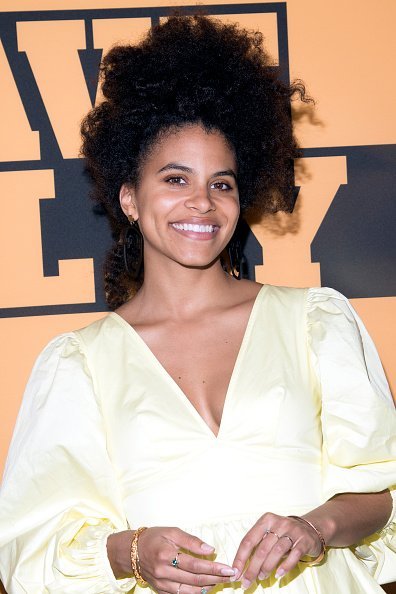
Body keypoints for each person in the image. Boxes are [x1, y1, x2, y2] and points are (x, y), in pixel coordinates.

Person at [0, 13, 395, 594]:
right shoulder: (79, 363)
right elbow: (32, 546)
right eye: (176, 180)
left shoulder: (314, 321)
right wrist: (131, 552)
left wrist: (314, 527)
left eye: (222, 183)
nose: (203, 204)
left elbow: (381, 495)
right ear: (130, 198)